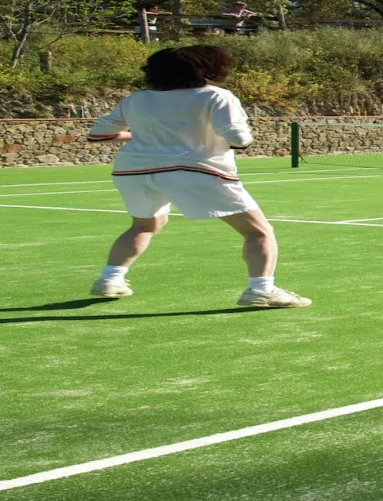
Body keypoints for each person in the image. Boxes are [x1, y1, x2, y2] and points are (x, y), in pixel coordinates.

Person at [85, 45, 311, 308]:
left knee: (144, 225)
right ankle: (261, 289)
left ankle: (110, 279)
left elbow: (98, 135)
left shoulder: (136, 99)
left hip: (133, 171)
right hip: (196, 170)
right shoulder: (216, 96)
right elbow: (239, 140)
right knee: (258, 231)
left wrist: (146, 138)